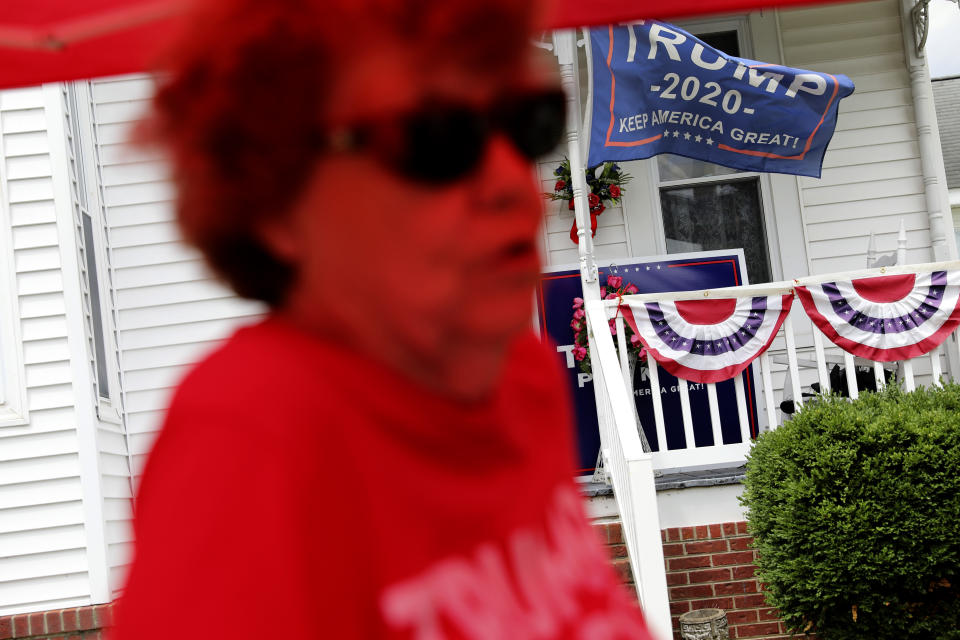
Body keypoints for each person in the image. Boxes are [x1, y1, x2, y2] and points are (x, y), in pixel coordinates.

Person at [110, 0, 655, 637]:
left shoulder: (519, 377)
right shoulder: (253, 433)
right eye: (433, 138)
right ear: (275, 199)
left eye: (527, 123)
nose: (515, 181)